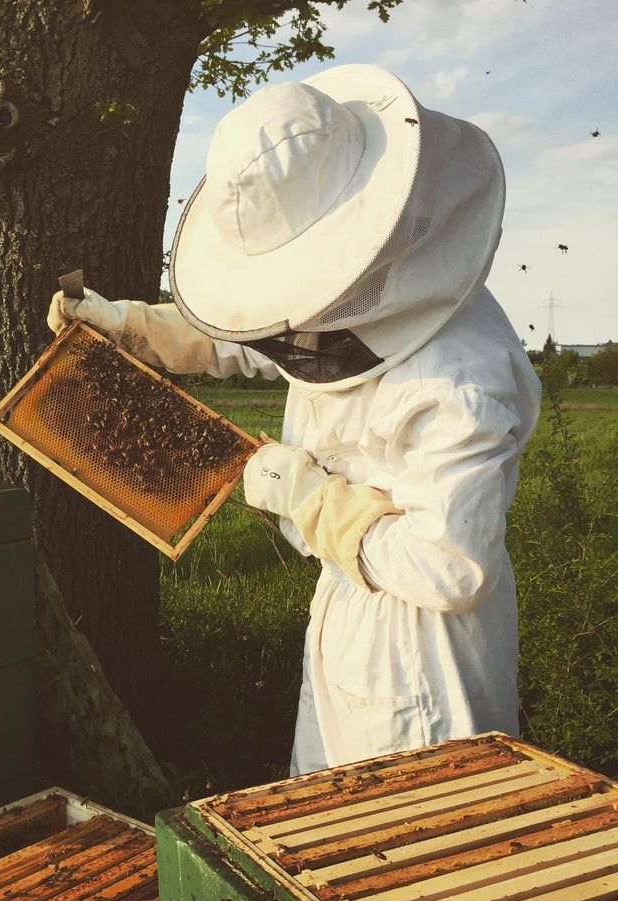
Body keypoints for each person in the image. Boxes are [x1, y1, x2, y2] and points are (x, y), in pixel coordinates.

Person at [47, 64, 541, 775]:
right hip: (348, 598)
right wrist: (125, 326)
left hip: (427, 654)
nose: (296, 312)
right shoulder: (350, 307)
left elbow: (453, 567)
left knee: (412, 852)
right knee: (325, 824)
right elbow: (254, 338)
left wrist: (315, 503)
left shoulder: (456, 375)